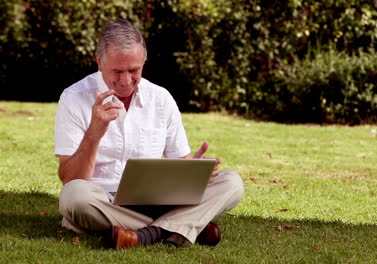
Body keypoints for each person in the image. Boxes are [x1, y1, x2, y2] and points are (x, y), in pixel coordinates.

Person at [54, 18, 244, 249]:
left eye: (134, 70)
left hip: (159, 200)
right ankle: (184, 226)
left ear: (144, 62)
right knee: (74, 196)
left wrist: (195, 169)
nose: (125, 81)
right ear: (99, 62)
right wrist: (94, 133)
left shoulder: (160, 98)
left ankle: (145, 234)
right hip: (103, 200)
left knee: (232, 182)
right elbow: (70, 178)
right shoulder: (74, 98)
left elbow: (179, 162)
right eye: (117, 71)